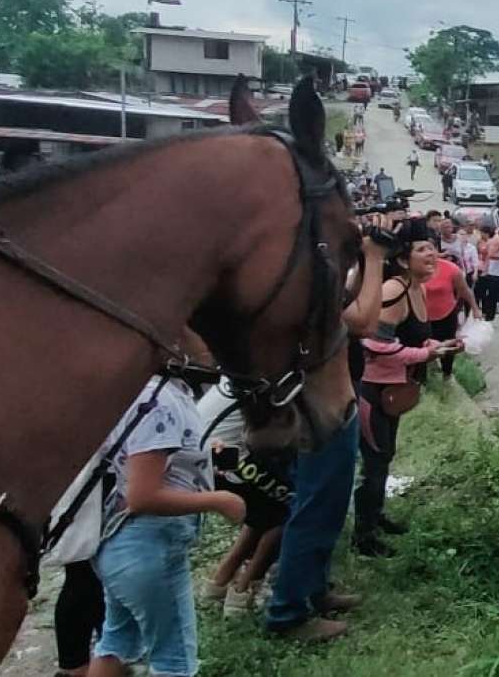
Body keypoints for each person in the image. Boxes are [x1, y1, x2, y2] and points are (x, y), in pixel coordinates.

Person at [264, 223, 389, 642]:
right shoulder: (302, 283)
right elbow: (366, 321)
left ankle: (312, 591)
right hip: (319, 413)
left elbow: (348, 304)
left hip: (330, 407)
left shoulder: (306, 278)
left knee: (327, 508)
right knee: (314, 510)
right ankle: (289, 612)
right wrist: (374, 258)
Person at [88, 375, 246, 677]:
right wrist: (219, 501)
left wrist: (210, 456)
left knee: (117, 641)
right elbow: (143, 496)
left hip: (123, 544)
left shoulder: (152, 391)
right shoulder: (159, 401)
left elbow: (156, 459)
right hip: (149, 547)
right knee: (174, 661)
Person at [354, 219, 460, 556]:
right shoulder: (393, 290)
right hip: (371, 391)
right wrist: (427, 352)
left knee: (386, 457)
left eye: (432, 247)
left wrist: (439, 345)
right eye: (422, 249)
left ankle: (376, 515)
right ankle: (363, 537)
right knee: (375, 461)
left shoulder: (418, 289)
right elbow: (374, 345)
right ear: (402, 259)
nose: (432, 254)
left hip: (395, 391)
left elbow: (410, 337)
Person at [198, 389, 293, 618]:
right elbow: (270, 435)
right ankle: (243, 590)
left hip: (205, 456)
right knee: (291, 506)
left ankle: (218, 583)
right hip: (227, 459)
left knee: (262, 509)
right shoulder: (264, 383)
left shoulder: (231, 379)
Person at [425, 250, 480, 379]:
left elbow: (465, 290)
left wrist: (475, 309)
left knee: (448, 347)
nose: (427, 253)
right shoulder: (413, 270)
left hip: (447, 314)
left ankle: (447, 376)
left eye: (429, 249)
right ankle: (428, 377)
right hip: (423, 317)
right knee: (425, 348)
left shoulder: (451, 269)